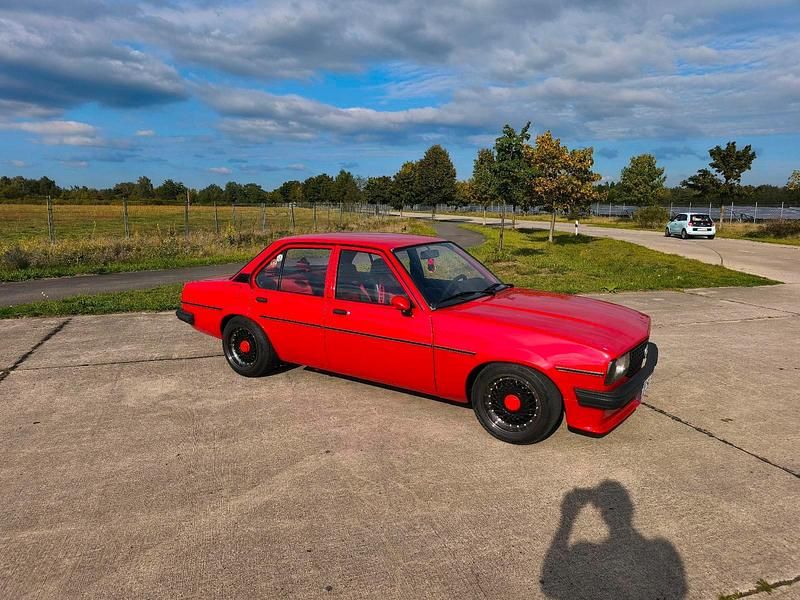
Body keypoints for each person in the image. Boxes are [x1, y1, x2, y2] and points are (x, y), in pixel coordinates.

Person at [541, 480, 687, 599]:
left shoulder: (581, 550)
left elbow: (548, 585)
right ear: (630, 507)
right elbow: (679, 589)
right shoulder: (662, 549)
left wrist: (568, 517)